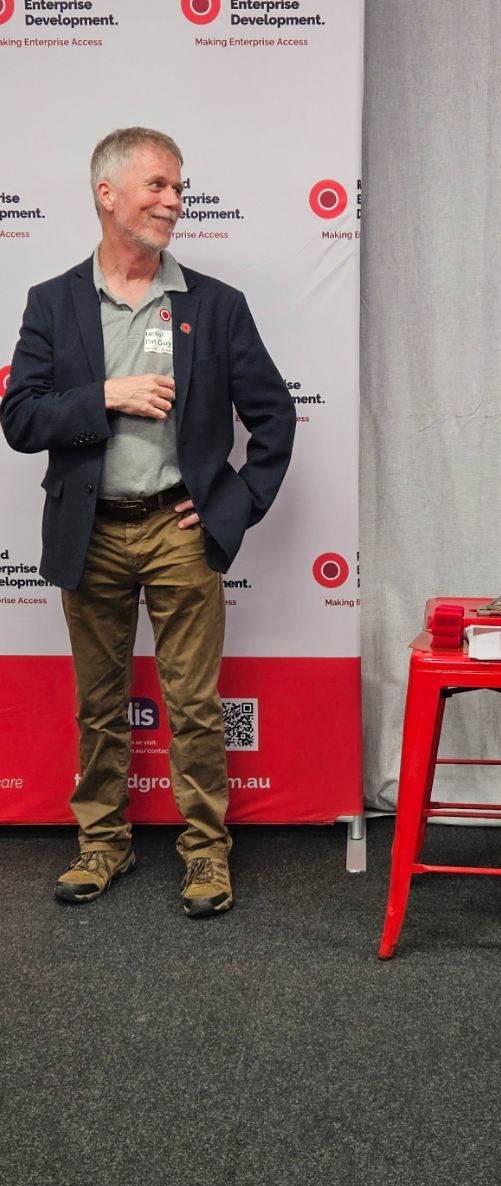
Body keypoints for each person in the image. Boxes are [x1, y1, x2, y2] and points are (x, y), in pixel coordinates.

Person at [1, 128, 295, 917]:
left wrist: (232, 504)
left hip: (178, 532)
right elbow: (20, 418)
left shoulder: (215, 306)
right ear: (107, 194)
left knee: (193, 705)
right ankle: (103, 844)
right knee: (98, 704)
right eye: (158, 185)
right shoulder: (53, 302)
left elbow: (274, 416)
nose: (174, 201)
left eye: (179, 188)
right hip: (89, 530)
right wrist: (106, 396)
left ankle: (205, 853)